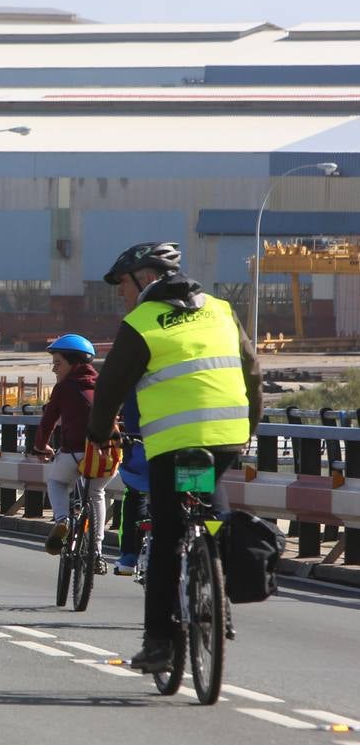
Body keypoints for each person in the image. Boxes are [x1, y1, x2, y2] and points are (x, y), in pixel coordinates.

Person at [86, 241, 262, 672]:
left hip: (172, 444)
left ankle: (160, 643)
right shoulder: (221, 310)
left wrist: (99, 433)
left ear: (145, 278)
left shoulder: (142, 321)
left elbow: (110, 388)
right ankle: (219, 594)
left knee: (168, 535)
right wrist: (247, 432)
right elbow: (253, 372)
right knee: (209, 510)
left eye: (122, 285)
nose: (120, 294)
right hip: (225, 438)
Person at [29, 334, 109, 574]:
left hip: (73, 453)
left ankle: (62, 520)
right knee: (96, 493)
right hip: (102, 455)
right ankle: (96, 552)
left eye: (58, 363)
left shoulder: (63, 388)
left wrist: (40, 448)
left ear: (74, 363)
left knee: (56, 481)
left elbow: (47, 422)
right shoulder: (104, 385)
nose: (54, 369)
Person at [113, 392, 151, 576]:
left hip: (148, 450)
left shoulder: (137, 367)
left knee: (136, 495)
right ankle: (216, 555)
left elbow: (107, 399)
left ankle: (129, 555)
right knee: (204, 494)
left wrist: (105, 432)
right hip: (210, 443)